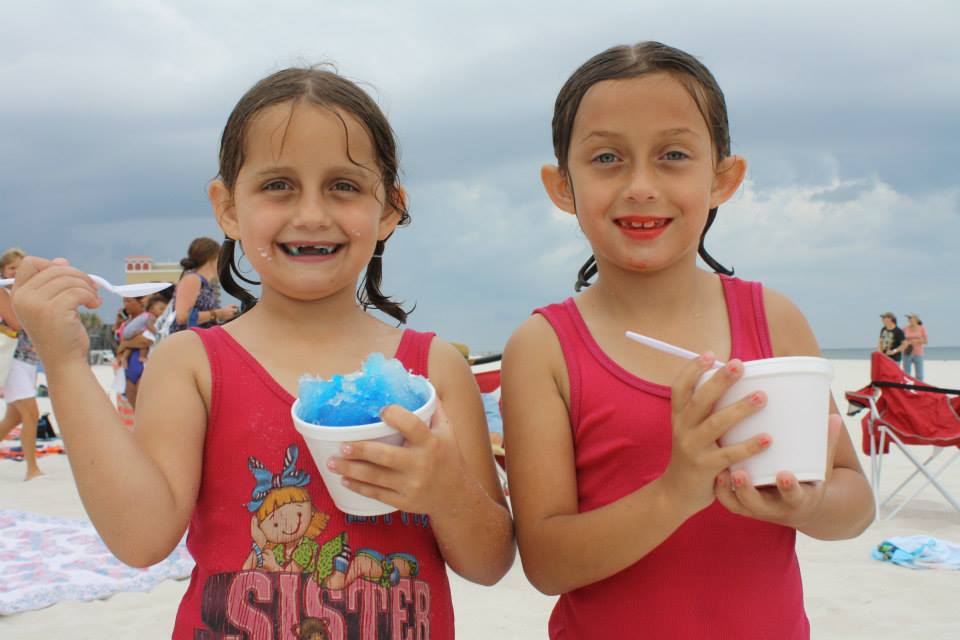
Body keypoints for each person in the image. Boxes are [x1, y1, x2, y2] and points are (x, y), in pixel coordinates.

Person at [11, 66, 513, 638]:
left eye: (344, 185)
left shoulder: (435, 368)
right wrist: (66, 361)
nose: (311, 214)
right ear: (227, 206)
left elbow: (489, 563)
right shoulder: (193, 364)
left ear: (390, 209)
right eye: (278, 185)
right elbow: (140, 539)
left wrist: (447, 491)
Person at [500, 42, 874, 639]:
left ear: (724, 178)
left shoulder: (774, 321)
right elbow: (546, 562)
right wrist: (676, 490)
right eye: (606, 158)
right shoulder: (544, 348)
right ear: (562, 186)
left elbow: (854, 501)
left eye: (673, 155)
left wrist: (810, 505)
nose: (641, 185)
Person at [0, 248, 44, 480]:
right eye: (12, 268)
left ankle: (32, 468)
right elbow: (16, 324)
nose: (16, 272)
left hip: (28, 360)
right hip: (13, 359)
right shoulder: (4, 293)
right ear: (3, 271)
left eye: (21, 267)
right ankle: (32, 469)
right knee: (31, 415)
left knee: (13, 418)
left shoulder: (28, 292)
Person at [169, 236, 238, 333]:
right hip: (189, 342)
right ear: (212, 258)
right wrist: (221, 313)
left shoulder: (203, 283)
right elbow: (182, 317)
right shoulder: (193, 279)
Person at [116, 294, 168, 407]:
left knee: (147, 407)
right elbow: (120, 344)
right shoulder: (126, 323)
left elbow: (145, 341)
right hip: (129, 368)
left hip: (144, 365)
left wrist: (125, 345)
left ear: (140, 302)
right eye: (124, 301)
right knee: (135, 409)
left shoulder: (152, 319)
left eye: (129, 301)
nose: (126, 304)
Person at [902, 312, 928, 380]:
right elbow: (901, 340)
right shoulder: (905, 328)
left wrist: (915, 341)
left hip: (918, 353)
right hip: (907, 353)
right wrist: (906, 343)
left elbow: (926, 341)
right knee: (906, 374)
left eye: (911, 318)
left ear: (916, 319)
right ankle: (906, 388)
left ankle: (920, 389)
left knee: (919, 375)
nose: (909, 319)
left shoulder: (921, 328)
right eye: (908, 318)